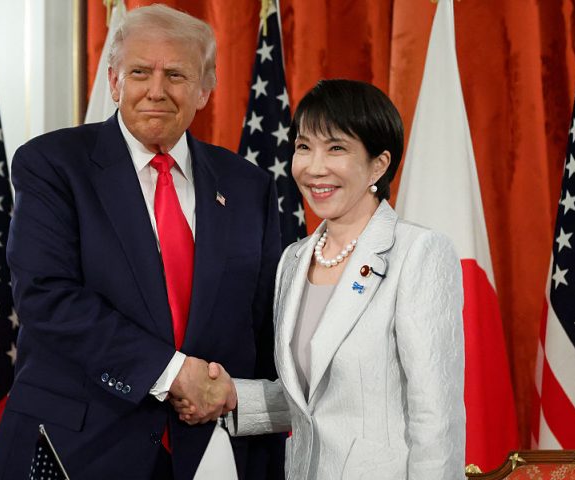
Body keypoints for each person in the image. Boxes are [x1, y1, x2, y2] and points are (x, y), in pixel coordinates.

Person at [0, 5, 283, 479]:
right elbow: (47, 297)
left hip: (210, 451)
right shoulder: (53, 164)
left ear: (205, 90)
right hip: (76, 448)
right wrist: (172, 373)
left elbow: (262, 329)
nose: (156, 90)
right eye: (140, 72)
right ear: (114, 81)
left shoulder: (248, 186)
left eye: (176, 75)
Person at [174, 79, 466, 479]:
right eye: (304, 147)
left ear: (378, 164)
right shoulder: (294, 260)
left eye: (336, 148)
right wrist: (232, 395)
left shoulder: (418, 253)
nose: (314, 167)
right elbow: (313, 400)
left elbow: (436, 420)